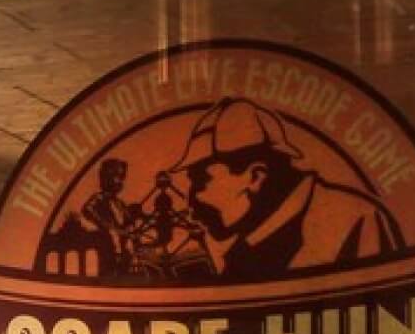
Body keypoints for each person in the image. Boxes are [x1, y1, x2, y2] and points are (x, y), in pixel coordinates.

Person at [167, 97, 401, 277]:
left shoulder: (355, 220)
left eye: (201, 180)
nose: (190, 200)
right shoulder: (243, 248)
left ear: (255, 177)